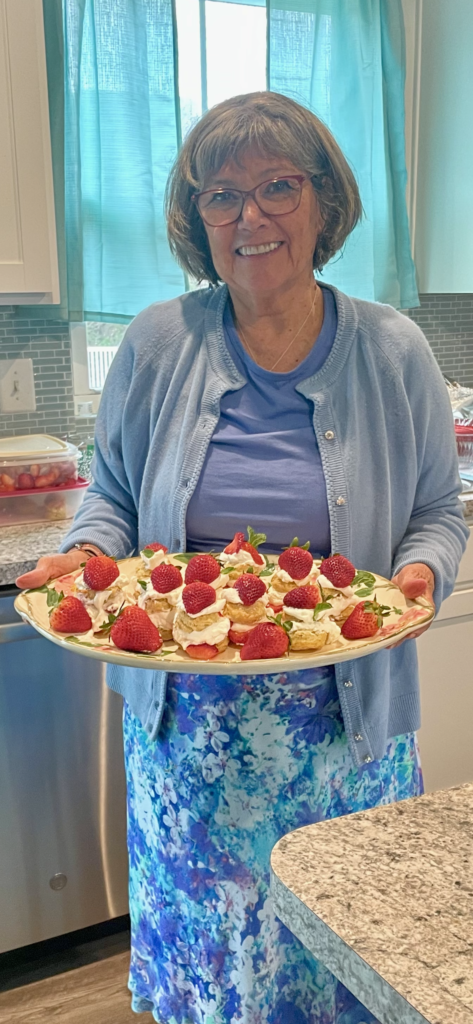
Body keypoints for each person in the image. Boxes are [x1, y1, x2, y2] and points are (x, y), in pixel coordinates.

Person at [17, 92, 468, 1023]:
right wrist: (85, 553)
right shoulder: (155, 343)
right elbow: (109, 495)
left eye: (276, 187)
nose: (250, 216)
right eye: (220, 196)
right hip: (191, 735)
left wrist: (421, 575)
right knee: (217, 964)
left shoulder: (391, 349)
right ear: (195, 222)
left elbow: (435, 509)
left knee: (343, 957)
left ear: (323, 201)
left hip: (346, 732)